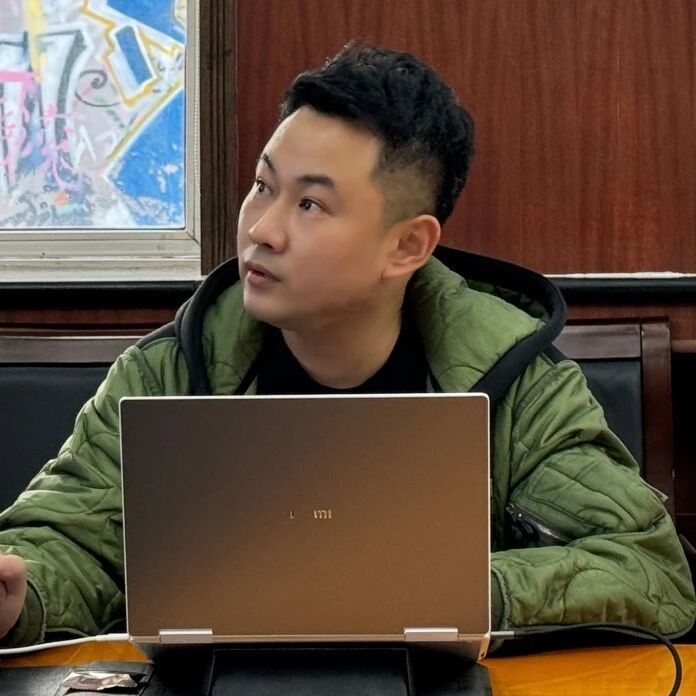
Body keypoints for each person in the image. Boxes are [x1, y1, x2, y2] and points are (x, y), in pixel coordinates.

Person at [0, 41, 694, 647]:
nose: (261, 230)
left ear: (407, 245)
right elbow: (69, 544)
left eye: (309, 204)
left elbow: (649, 571)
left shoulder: (516, 385)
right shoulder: (169, 373)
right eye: (262, 186)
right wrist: (20, 596)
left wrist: (455, 590)